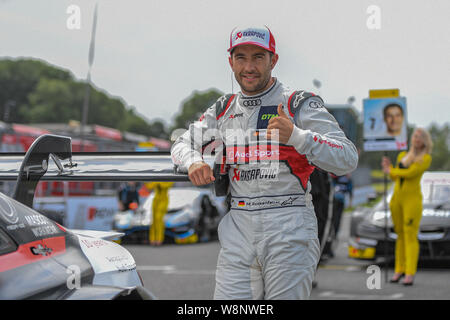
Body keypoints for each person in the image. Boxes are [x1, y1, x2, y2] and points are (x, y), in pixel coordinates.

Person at [171, 26, 358, 299]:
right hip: (238, 226)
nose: (249, 66)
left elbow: (347, 157)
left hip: (290, 224)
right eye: (241, 57)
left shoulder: (297, 102)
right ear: (230, 61)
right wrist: (193, 161)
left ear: (273, 60)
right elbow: (180, 143)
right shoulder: (224, 108)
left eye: (258, 57)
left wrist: (297, 136)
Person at [381, 127, 433, 286]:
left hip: (412, 201)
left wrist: (393, 170)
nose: (417, 139)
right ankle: (399, 270)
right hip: (396, 199)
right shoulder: (402, 156)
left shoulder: (425, 158)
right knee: (400, 236)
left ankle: (409, 273)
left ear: (425, 141)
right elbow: (396, 178)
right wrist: (388, 170)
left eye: (420, 137)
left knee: (410, 236)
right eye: (415, 136)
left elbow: (411, 173)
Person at [144, 181, 174, 246]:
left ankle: (159, 239)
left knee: (159, 219)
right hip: (155, 200)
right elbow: (149, 186)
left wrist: (157, 182)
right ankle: (152, 239)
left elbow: (166, 185)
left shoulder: (167, 178)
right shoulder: (157, 179)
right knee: (154, 220)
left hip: (163, 200)